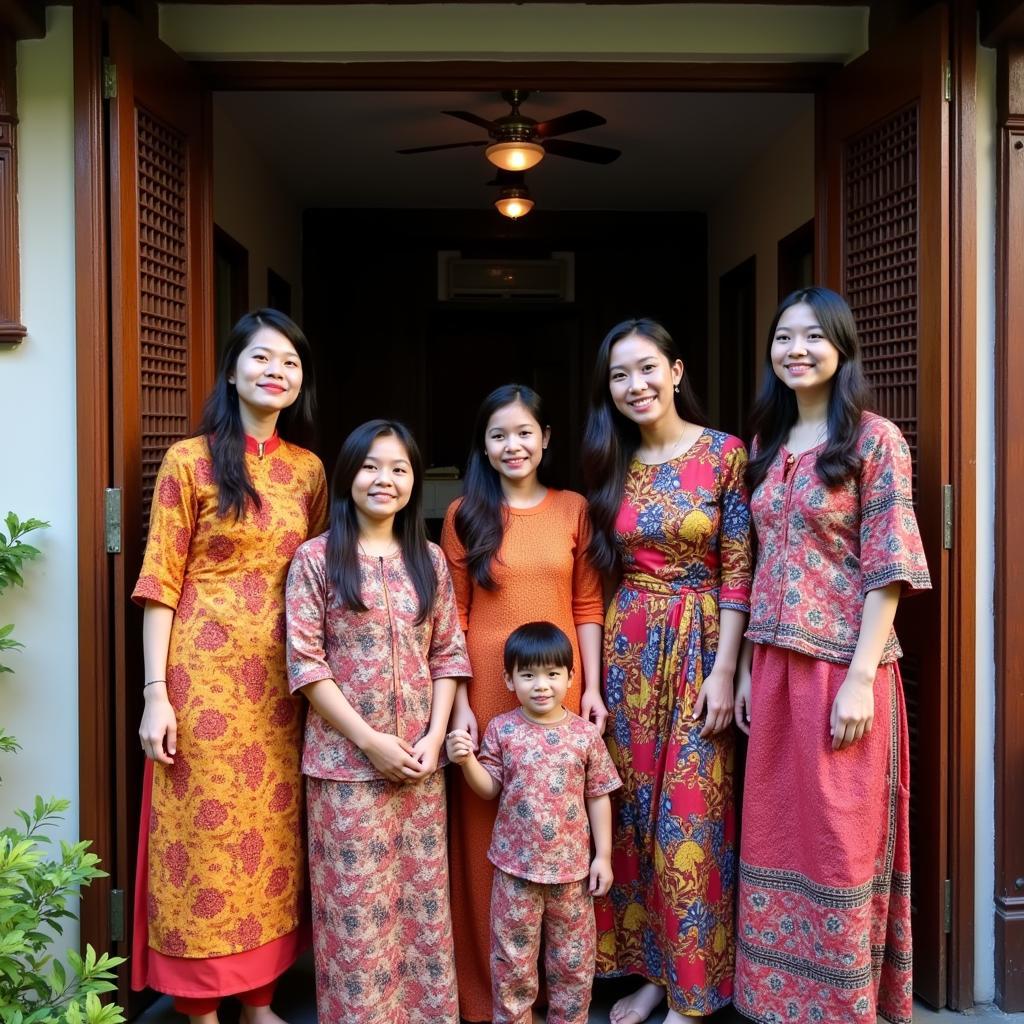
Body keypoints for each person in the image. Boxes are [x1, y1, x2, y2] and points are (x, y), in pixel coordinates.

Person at [732, 287, 930, 1024]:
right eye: (784, 338)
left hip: (846, 670)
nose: (797, 351)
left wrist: (857, 683)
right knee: (779, 835)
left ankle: (842, 1009)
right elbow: (753, 564)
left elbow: (890, 568)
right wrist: (750, 666)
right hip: (775, 669)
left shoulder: (874, 440)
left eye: (814, 337)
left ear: (841, 347)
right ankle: (779, 1004)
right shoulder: (763, 443)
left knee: (842, 845)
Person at [133, 309, 327, 1024]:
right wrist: (156, 693)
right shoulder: (189, 460)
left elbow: (315, 576)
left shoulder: (307, 469)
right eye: (263, 358)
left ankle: (257, 996)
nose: (276, 371)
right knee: (205, 836)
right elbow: (160, 582)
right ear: (233, 368)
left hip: (282, 682)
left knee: (272, 834)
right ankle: (200, 1004)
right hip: (202, 675)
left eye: (290, 363)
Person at [581, 317, 752, 1024]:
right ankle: (651, 972)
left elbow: (739, 565)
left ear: (676, 371)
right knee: (632, 820)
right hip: (628, 652)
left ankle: (694, 990)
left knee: (692, 818)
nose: (634, 386)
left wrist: (727, 669)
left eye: (646, 369)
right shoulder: (608, 459)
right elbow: (596, 572)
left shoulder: (724, 454)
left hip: (701, 646)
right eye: (619, 375)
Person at [284, 419, 470, 1024]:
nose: (383, 479)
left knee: (420, 908)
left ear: (414, 481)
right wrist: (369, 742)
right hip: (345, 770)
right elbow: (307, 666)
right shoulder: (315, 559)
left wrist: (436, 736)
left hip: (420, 764)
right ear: (348, 476)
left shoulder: (431, 559)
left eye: (398, 468)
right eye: (370, 466)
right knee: (357, 920)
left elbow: (447, 653)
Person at [440, 383, 606, 1021]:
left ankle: (558, 996)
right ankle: (492, 1001)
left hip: (556, 688)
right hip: (486, 685)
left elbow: (587, 604)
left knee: (555, 833)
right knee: (490, 840)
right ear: (483, 445)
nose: (513, 445)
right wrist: (457, 705)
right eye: (498, 435)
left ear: (545, 439)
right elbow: (451, 615)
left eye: (524, 432)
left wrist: (588, 686)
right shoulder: (465, 513)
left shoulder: (574, 510)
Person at [446, 621, 621, 1024]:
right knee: (512, 964)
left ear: (570, 677)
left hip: (572, 875)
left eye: (552, 674)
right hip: (515, 874)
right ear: (509, 679)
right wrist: (466, 760)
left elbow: (598, 795)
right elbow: (488, 789)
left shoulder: (584, 736)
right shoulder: (503, 731)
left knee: (573, 965)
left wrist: (604, 856)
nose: (541, 685)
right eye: (528, 675)